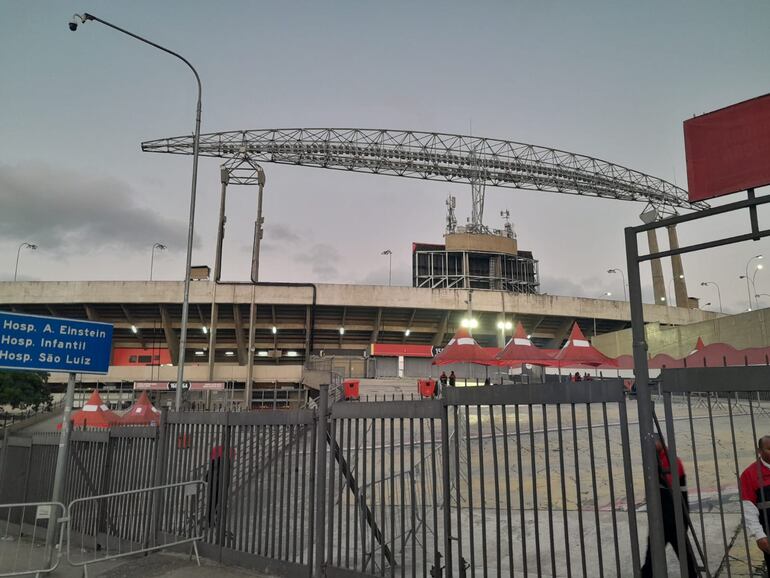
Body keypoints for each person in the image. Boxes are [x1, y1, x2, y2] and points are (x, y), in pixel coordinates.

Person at [641, 434, 698, 578]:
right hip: (661, 517)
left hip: (673, 517)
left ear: (660, 443)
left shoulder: (669, 461)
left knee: (681, 554)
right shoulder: (657, 458)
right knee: (654, 554)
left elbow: (670, 490)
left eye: (652, 443)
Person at [740, 435, 770, 572]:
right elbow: (748, 508)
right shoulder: (750, 474)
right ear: (759, 451)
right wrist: (759, 534)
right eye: (769, 449)